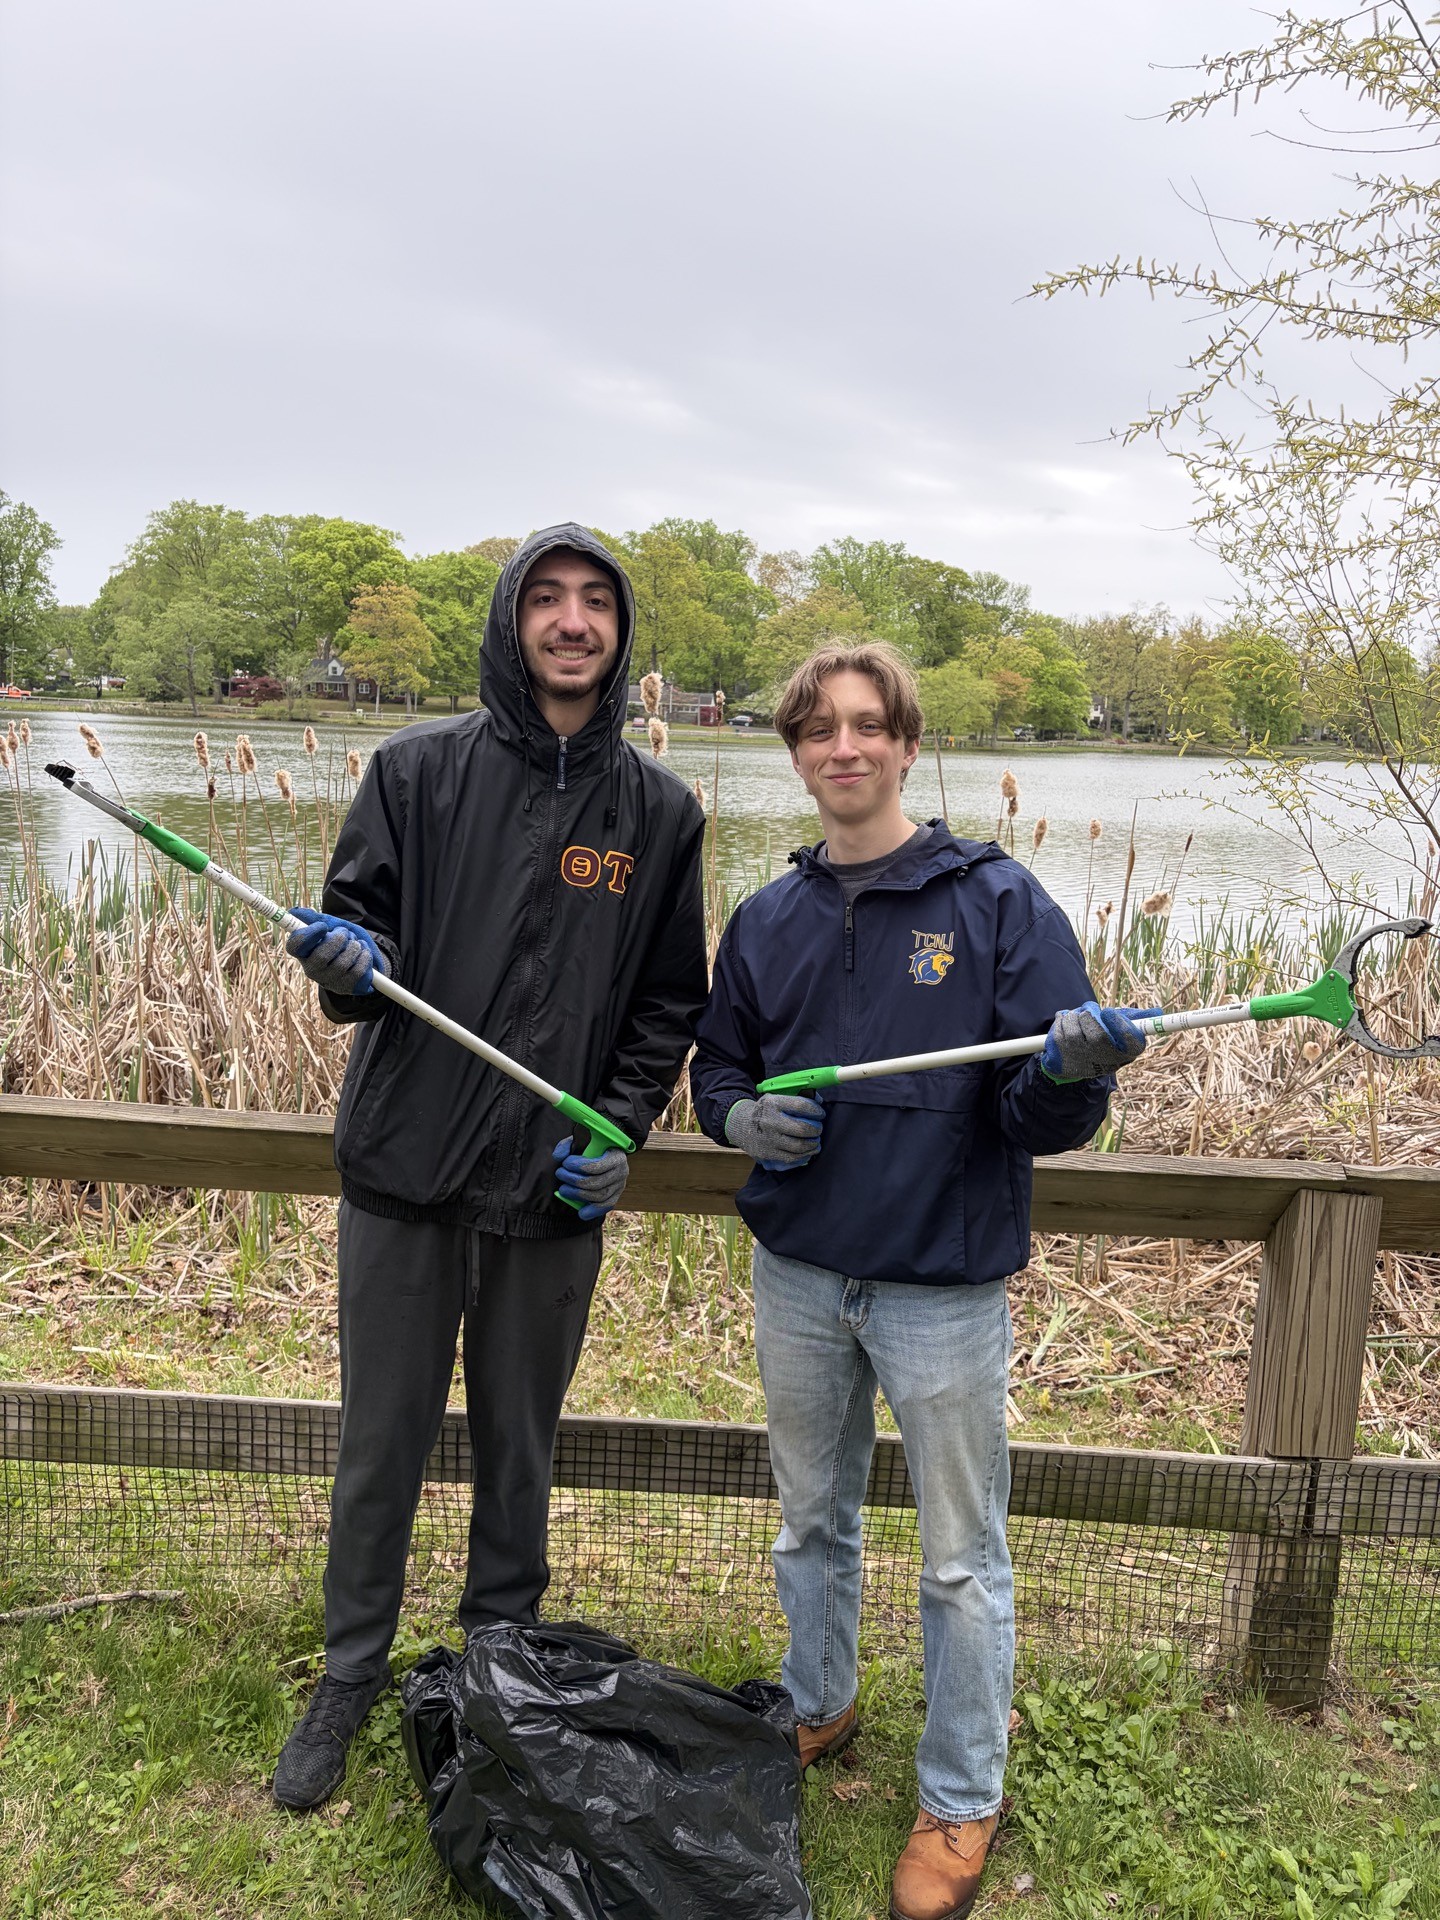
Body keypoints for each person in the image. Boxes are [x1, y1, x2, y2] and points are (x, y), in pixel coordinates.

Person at [689, 642, 1148, 1920]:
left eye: (867, 726)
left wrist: (1069, 1072)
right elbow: (717, 1067)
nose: (843, 748)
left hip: (939, 1287)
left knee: (960, 1558)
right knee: (810, 1520)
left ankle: (960, 1794)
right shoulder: (767, 918)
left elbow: (1044, 1118)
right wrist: (734, 1125)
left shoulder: (997, 904)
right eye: (819, 730)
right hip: (799, 1275)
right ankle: (820, 1704)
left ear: (904, 743)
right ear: (796, 752)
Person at [272, 525, 708, 1810]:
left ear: (621, 633)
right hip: (405, 1175)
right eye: (549, 600)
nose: (573, 623)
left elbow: (667, 1006)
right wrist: (345, 958)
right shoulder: (413, 772)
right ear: (513, 619)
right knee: (381, 1444)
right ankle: (351, 1671)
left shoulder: (661, 814)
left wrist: (617, 1128)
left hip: (547, 1195)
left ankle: (500, 1662)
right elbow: (359, 938)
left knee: (521, 1447)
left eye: (596, 604)